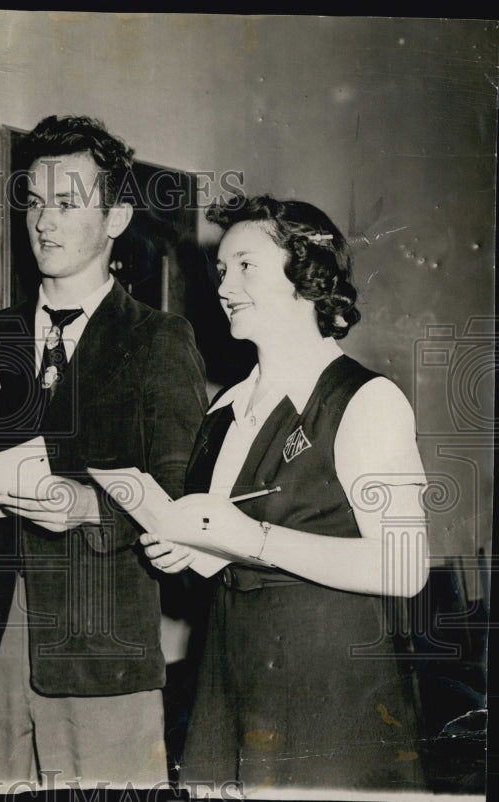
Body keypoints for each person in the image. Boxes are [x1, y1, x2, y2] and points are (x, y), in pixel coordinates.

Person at [0, 115, 207, 787]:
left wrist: (93, 506)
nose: (44, 221)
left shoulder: (158, 340)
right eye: (33, 200)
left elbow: (184, 498)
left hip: (101, 650)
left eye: (66, 203)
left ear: (116, 216)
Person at [141, 196, 430, 793]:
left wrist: (252, 538)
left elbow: (406, 566)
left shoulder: (365, 400)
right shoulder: (224, 408)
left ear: (307, 275)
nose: (225, 285)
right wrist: (193, 549)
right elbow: (231, 543)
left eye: (246, 265)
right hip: (231, 671)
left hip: (330, 680)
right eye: (221, 271)